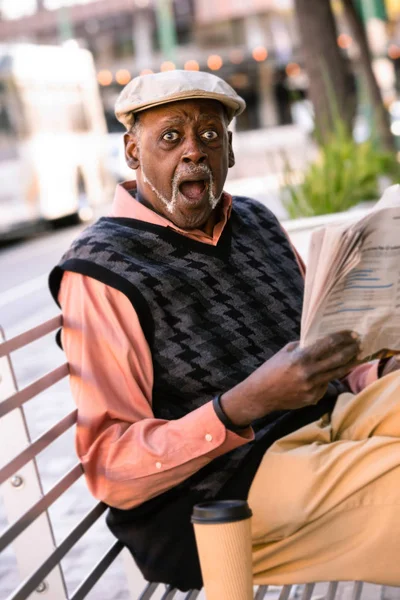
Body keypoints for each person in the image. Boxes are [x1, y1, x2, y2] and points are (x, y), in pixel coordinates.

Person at [49, 70, 400, 592]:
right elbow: (111, 466)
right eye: (170, 137)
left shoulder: (255, 221)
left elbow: (319, 345)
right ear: (132, 151)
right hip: (215, 493)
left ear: (229, 151)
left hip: (327, 419)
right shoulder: (101, 270)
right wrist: (242, 405)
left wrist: (379, 367)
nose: (193, 151)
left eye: (210, 136)